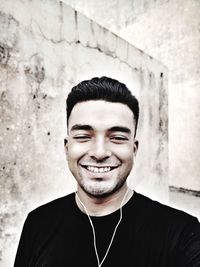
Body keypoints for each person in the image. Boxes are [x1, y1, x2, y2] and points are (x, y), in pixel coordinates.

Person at [14, 76, 200, 267]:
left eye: (117, 137)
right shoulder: (38, 223)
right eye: (83, 136)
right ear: (67, 147)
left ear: (134, 149)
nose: (99, 152)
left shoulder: (182, 235)